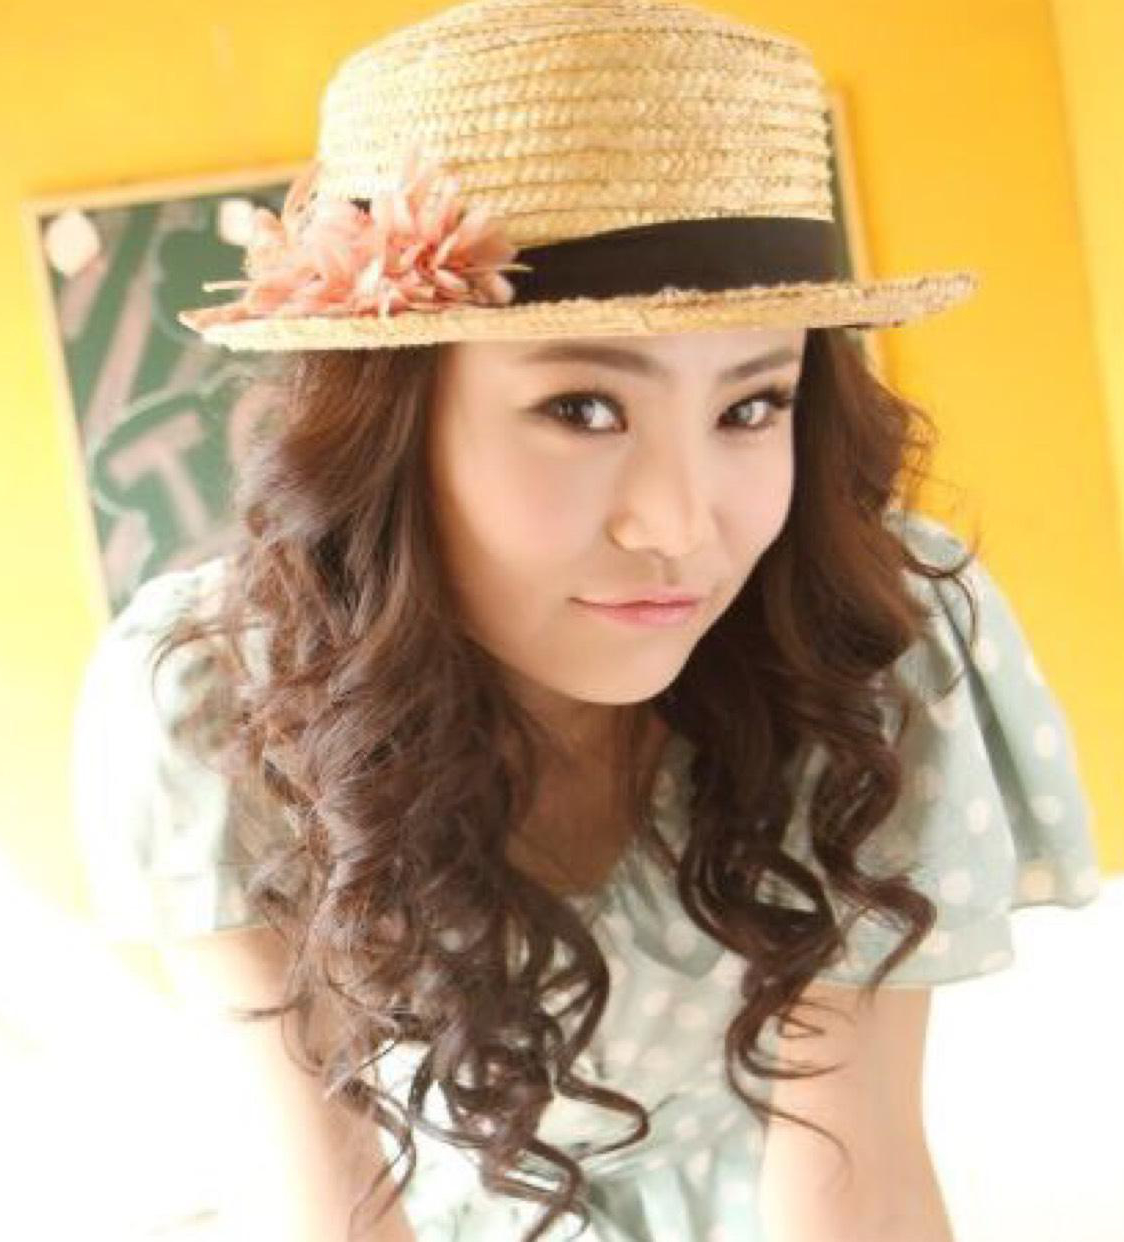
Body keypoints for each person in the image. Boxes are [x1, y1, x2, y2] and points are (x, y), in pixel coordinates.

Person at [70, 2, 1103, 1240]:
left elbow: (858, 1163)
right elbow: (327, 1199)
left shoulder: (871, 636)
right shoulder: (210, 691)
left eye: (751, 406)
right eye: (583, 409)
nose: (678, 524)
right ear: (396, 429)